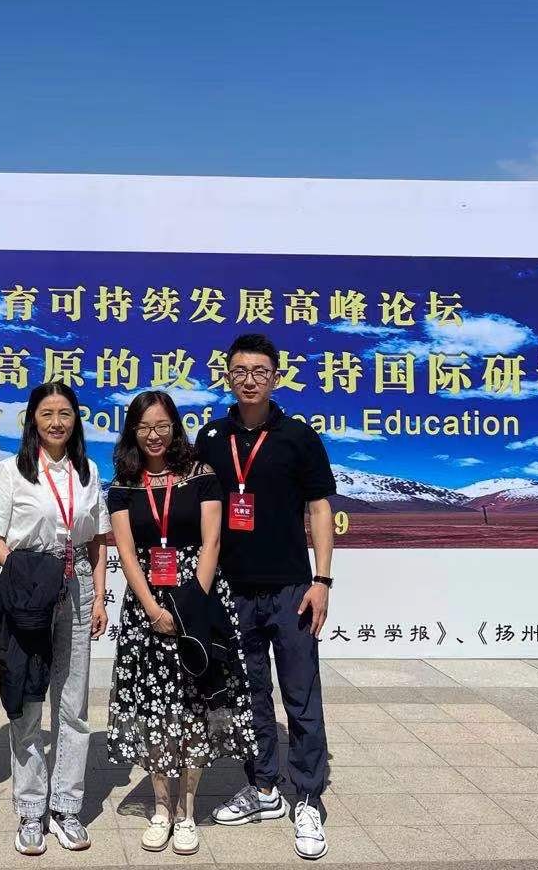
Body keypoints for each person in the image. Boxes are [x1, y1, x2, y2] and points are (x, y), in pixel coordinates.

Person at [198, 333, 336, 861]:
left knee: (301, 696)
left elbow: (320, 510)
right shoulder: (212, 437)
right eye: (240, 370)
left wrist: (322, 581)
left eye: (259, 370)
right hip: (234, 591)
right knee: (250, 695)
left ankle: (308, 797)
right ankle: (263, 788)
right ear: (227, 376)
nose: (249, 379)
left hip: (291, 591)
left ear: (275, 377)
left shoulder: (298, 437)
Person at [105, 390, 256, 857]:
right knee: (156, 708)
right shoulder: (123, 485)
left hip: (199, 600)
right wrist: (154, 609)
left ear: (175, 427)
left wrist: (192, 605)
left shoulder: (201, 475)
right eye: (144, 427)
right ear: (133, 431)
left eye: (162, 425)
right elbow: (127, 553)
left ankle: (187, 811)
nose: (153, 435)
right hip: (146, 607)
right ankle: (160, 808)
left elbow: (212, 543)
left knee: (194, 705)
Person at [0, 382, 110, 856]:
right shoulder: (13, 470)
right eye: (47, 413)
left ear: (76, 420)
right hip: (31, 593)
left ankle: (67, 806)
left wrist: (99, 597)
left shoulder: (88, 471)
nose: (56, 422)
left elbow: (97, 539)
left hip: (76, 590)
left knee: (73, 705)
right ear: (32, 419)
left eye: (65, 413)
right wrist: (21, 572)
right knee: (29, 700)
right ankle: (31, 808)